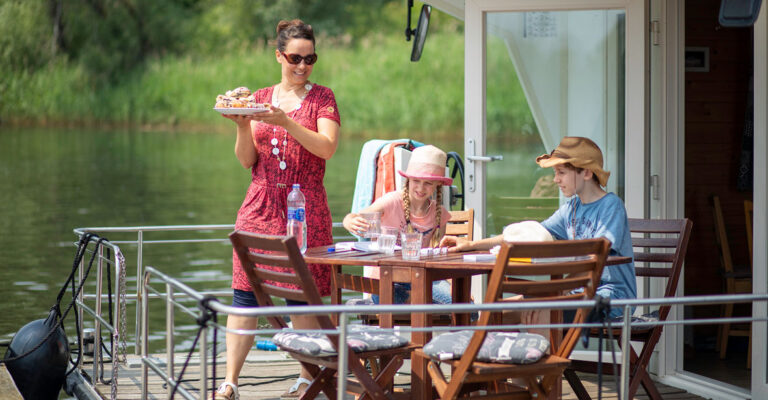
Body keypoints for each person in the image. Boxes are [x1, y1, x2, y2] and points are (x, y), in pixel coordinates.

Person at [217, 19, 341, 400]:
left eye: (310, 58)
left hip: (305, 208)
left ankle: (307, 378)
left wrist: (286, 121)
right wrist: (242, 126)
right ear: (279, 56)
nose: (302, 66)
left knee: (301, 295)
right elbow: (246, 161)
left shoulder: (323, 98)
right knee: (244, 294)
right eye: (295, 58)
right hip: (259, 205)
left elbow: (326, 148)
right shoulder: (259, 97)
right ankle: (230, 382)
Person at [440, 136, 636, 319]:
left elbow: (598, 256)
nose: (555, 179)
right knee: (495, 313)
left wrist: (560, 288)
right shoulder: (571, 208)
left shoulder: (611, 206)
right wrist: (472, 244)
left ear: (586, 172)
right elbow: (530, 235)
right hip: (576, 294)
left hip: (610, 298)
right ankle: (497, 355)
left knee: (538, 310)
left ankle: (542, 356)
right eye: (555, 173)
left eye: (561, 173)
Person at [343, 145, 454, 304]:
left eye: (428, 183)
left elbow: (441, 258)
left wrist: (451, 285)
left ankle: (421, 304)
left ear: (437, 184)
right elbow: (355, 216)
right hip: (388, 278)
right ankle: (404, 301)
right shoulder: (392, 201)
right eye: (416, 181)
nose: (421, 188)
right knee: (391, 296)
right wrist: (349, 221)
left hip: (423, 278)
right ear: (408, 179)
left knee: (465, 306)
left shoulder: (440, 214)